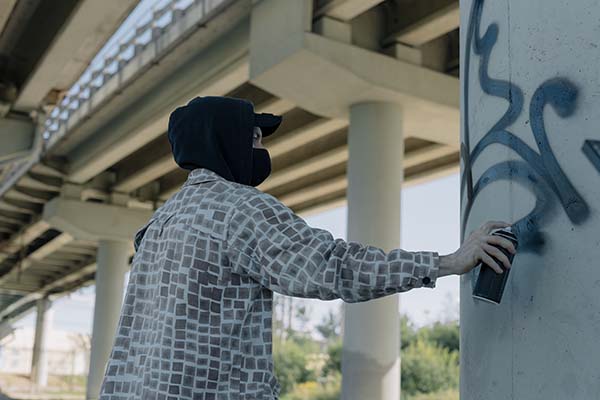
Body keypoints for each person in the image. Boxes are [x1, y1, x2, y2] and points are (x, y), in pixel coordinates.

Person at [98, 96, 516, 399]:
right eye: (256, 139)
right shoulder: (239, 210)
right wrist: (446, 261)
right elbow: (332, 267)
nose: (262, 151)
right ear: (224, 142)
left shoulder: (158, 224)